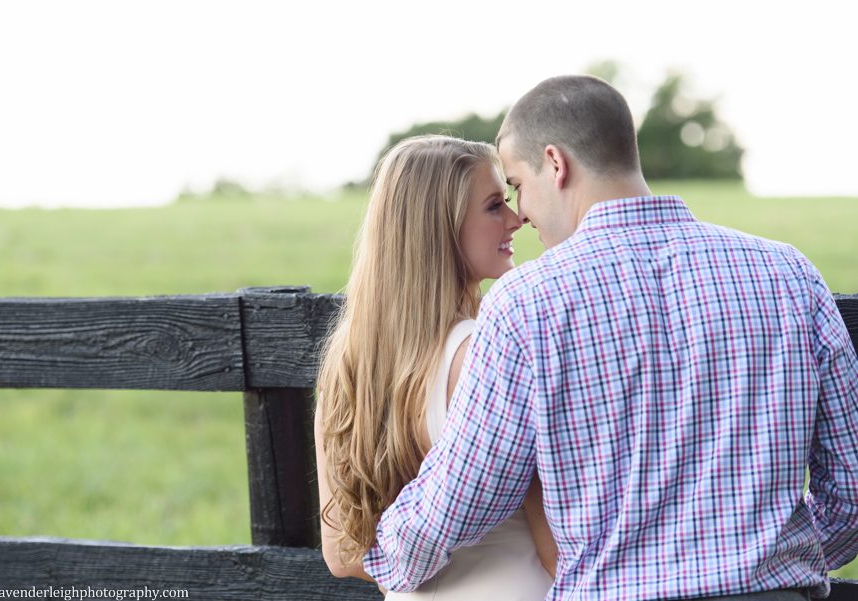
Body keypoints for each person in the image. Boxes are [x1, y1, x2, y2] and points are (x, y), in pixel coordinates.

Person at [363, 75, 858, 600]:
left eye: (517, 186)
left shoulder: (528, 302)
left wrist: (386, 558)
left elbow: (463, 495)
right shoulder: (788, 274)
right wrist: (768, 565)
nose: (521, 213)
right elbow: (850, 489)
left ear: (556, 163)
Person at [314, 134, 554, 599]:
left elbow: (342, 555)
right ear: (439, 228)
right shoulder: (485, 353)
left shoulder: (349, 367)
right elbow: (554, 545)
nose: (515, 218)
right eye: (493, 206)